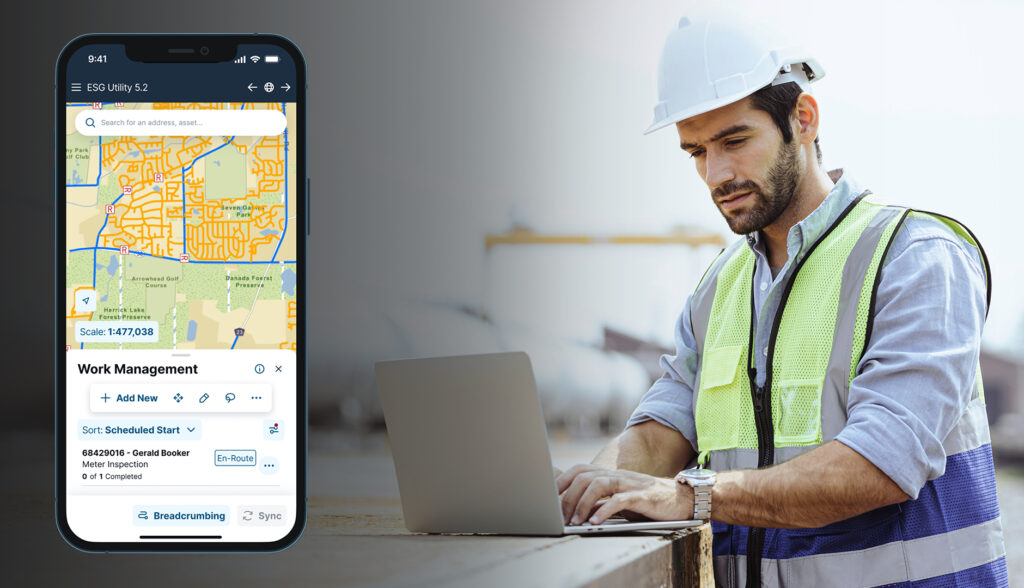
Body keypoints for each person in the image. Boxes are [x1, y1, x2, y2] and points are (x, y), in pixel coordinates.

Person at [555, 15, 1008, 587]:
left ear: (804, 119)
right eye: (695, 151)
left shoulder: (915, 257)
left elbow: (882, 464)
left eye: (735, 141)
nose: (715, 174)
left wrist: (687, 496)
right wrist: (581, 490)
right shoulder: (716, 289)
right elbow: (657, 434)